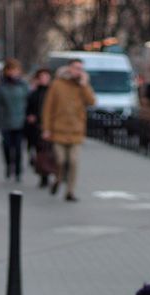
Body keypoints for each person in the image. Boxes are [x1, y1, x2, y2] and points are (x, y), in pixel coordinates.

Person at [41, 60, 95, 202]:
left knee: (74, 162)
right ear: (69, 69)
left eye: (81, 69)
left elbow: (92, 102)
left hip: (76, 131)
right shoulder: (57, 84)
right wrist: (46, 129)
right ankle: (58, 180)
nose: (78, 71)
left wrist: (84, 85)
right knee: (60, 160)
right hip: (58, 131)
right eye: (76, 68)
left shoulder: (83, 86)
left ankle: (70, 191)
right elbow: (48, 108)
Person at [0, 59, 30, 181]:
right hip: (6, 121)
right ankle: (8, 166)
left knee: (18, 148)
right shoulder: (1, 87)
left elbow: (30, 102)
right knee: (6, 147)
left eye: (15, 70)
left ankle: (18, 171)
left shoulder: (23, 85)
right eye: (10, 70)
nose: (13, 73)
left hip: (21, 122)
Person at [25, 68, 54, 188]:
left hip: (51, 127)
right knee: (40, 152)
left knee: (50, 152)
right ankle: (43, 175)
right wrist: (30, 116)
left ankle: (48, 173)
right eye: (42, 77)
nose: (44, 79)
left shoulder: (52, 93)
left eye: (46, 77)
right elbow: (28, 108)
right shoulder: (33, 93)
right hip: (36, 127)